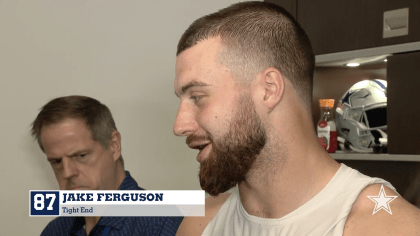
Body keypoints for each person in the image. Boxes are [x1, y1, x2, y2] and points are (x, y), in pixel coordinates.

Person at [172, 1, 420, 235]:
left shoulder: (390, 227)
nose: (179, 126)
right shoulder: (200, 224)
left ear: (269, 89)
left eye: (197, 96)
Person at [31, 95, 183, 236]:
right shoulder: (56, 230)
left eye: (81, 156)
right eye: (57, 161)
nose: (67, 173)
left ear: (114, 145)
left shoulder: (163, 223)